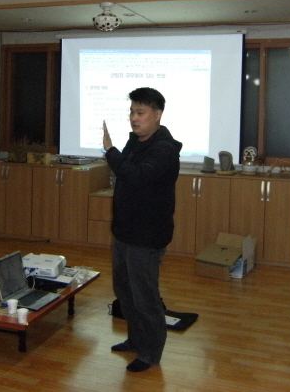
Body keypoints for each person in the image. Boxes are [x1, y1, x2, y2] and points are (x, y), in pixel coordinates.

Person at [102, 87, 182, 373]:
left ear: (157, 114)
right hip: (124, 231)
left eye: (140, 112)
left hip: (147, 236)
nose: (134, 118)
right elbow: (125, 174)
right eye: (132, 112)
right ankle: (135, 340)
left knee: (145, 297)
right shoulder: (135, 141)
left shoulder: (164, 149)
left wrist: (110, 151)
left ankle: (150, 353)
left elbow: (135, 176)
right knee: (124, 292)